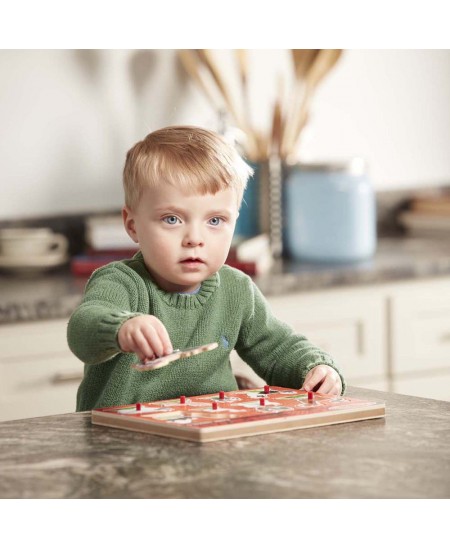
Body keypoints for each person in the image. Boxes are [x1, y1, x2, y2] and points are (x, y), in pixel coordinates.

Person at [68, 126, 345, 411]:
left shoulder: (236, 289)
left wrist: (316, 369)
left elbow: (278, 348)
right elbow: (83, 331)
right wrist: (120, 328)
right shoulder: (120, 282)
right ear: (132, 225)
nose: (195, 239)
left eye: (215, 221)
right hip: (119, 445)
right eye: (172, 219)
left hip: (211, 440)